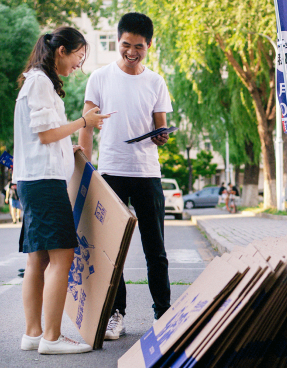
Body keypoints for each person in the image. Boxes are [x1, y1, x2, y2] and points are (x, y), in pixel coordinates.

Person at [13, 27, 108, 355]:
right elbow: (45, 134)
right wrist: (83, 122)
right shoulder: (39, 81)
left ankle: (34, 333)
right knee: (61, 256)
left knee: (38, 257)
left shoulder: (37, 81)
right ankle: (51, 338)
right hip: (43, 183)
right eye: (77, 58)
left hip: (35, 179)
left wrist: (72, 148)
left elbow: (47, 138)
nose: (77, 66)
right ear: (62, 50)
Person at [80, 12, 173, 341]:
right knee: (110, 250)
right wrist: (85, 168)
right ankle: (115, 315)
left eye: (138, 46)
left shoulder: (156, 81)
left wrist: (161, 135)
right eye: (125, 45)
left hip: (146, 172)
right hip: (110, 173)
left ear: (149, 45)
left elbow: (159, 125)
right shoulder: (100, 78)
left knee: (155, 249)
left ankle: (163, 314)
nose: (131, 52)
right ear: (117, 42)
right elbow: (86, 125)